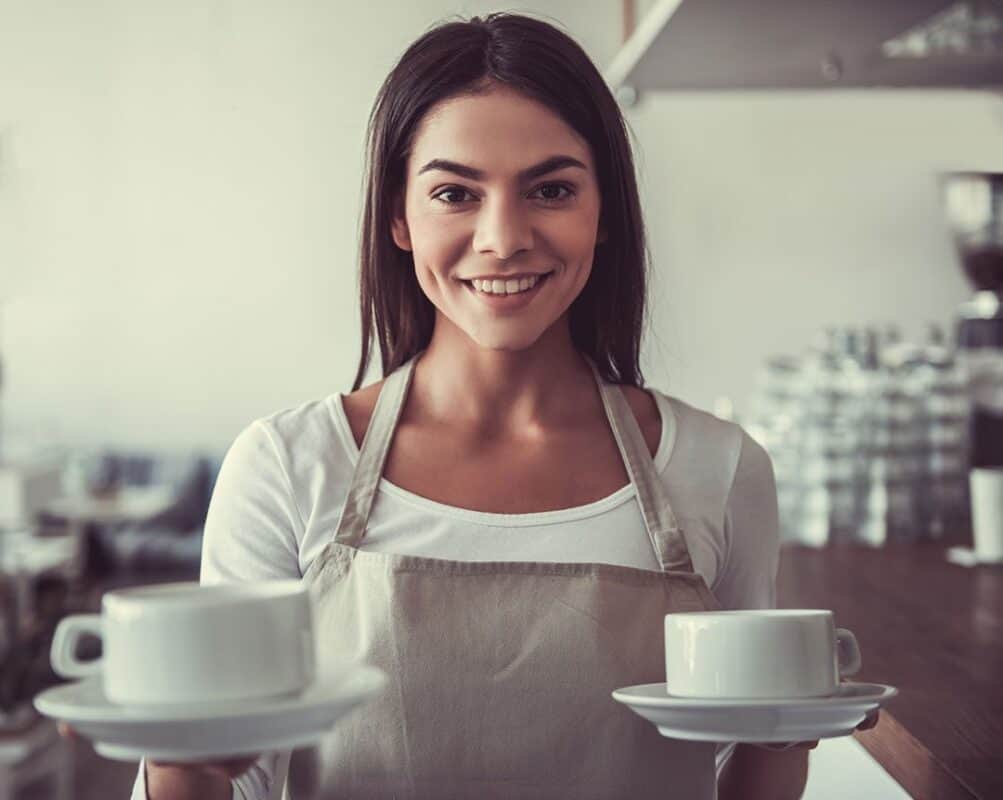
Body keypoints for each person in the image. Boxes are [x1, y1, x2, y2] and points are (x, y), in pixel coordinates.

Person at [60, 11, 876, 799]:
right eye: (455, 194)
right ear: (398, 216)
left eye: (550, 189)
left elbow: (750, 765)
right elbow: (226, 779)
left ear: (605, 216)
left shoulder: (718, 469)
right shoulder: (285, 466)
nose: (503, 237)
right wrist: (176, 762)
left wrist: (787, 730)